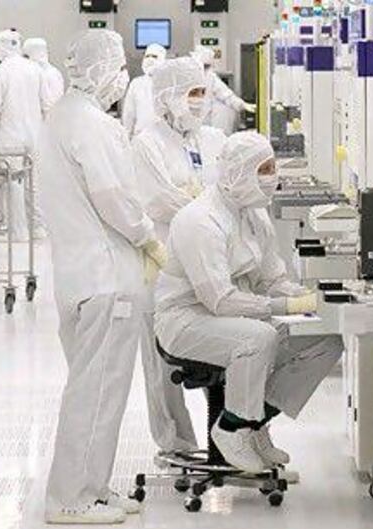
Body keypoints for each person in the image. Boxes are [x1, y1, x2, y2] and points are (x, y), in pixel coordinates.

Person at [154, 131, 344, 474]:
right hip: (186, 321)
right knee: (257, 338)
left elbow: (271, 280)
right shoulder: (201, 221)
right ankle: (231, 428)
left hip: (240, 313)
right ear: (239, 172)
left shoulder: (254, 214)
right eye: (265, 169)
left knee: (326, 339)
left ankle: (255, 424)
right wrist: (283, 308)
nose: (273, 178)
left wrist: (309, 300)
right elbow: (219, 301)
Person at [40, 29, 166, 525]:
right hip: (105, 276)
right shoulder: (90, 123)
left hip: (80, 274)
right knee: (95, 392)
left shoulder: (63, 118)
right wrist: (149, 238)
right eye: (117, 67)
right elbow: (114, 196)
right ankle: (69, 498)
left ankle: (92, 487)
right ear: (99, 69)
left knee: (98, 390)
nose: (123, 77)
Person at [132, 57, 227, 455]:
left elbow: (230, 191)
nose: (200, 101)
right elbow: (158, 202)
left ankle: (227, 436)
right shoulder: (147, 142)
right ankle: (176, 444)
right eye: (192, 94)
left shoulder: (214, 139)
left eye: (203, 93)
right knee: (162, 362)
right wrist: (204, 203)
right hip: (163, 260)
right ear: (168, 97)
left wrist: (196, 199)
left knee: (223, 350)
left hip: (215, 260)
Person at [0, 29, 49, 241]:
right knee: (34, 183)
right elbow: (47, 104)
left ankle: (17, 232)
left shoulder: (0, 72)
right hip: (35, 135)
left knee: (14, 183)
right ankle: (38, 228)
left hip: (11, 137)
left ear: (1, 47)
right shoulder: (35, 70)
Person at [23, 37, 66, 237]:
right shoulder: (50, 72)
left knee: (38, 184)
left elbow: (50, 106)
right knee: (36, 183)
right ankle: (38, 224)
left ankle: (41, 225)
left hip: (45, 135)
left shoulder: (47, 74)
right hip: (41, 134)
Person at [192, 45, 257, 135]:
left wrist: (243, 105)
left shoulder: (210, 77)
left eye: (206, 66)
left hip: (204, 123)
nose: (204, 69)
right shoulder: (186, 77)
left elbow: (226, 95)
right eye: (203, 66)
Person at [121, 43, 167, 138]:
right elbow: (129, 114)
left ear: (163, 59)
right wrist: (126, 138)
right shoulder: (136, 83)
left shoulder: (169, 83)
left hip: (163, 138)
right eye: (147, 56)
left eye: (154, 56)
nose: (150, 59)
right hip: (140, 138)